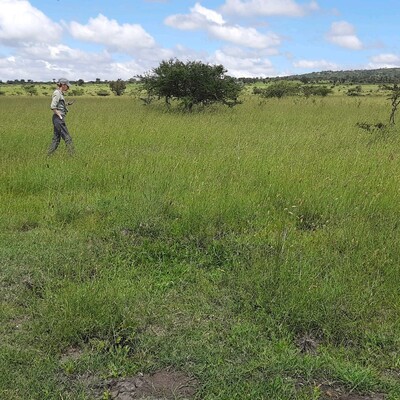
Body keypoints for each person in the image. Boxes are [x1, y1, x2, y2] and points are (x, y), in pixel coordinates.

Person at [48, 78, 75, 155]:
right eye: (67, 85)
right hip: (58, 119)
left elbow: (59, 105)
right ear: (63, 85)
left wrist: (67, 104)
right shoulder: (57, 93)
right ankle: (73, 156)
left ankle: (48, 155)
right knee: (67, 138)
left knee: (56, 139)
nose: (68, 87)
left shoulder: (60, 93)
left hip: (58, 119)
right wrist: (59, 115)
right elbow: (53, 106)